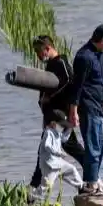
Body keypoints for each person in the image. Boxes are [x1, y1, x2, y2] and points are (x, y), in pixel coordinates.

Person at [28, 35, 85, 193]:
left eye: (39, 51)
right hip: (53, 118)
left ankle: (33, 190)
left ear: (47, 48)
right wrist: (43, 103)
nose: (38, 55)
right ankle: (88, 182)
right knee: (51, 151)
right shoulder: (51, 65)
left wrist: (49, 97)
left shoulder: (61, 63)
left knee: (48, 151)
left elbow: (70, 81)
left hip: (60, 118)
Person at [69, 24, 103, 195]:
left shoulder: (98, 54)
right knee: (93, 146)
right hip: (87, 107)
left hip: (98, 107)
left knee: (101, 144)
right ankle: (91, 185)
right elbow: (77, 86)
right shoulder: (83, 57)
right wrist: (73, 111)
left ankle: (92, 180)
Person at [28, 109, 86, 205]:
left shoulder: (57, 132)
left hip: (58, 163)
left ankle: (81, 187)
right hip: (50, 165)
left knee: (72, 169)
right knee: (46, 186)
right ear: (53, 123)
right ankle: (31, 198)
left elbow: (64, 139)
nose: (62, 127)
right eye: (61, 125)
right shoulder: (48, 132)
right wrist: (59, 153)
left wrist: (70, 128)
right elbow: (47, 146)